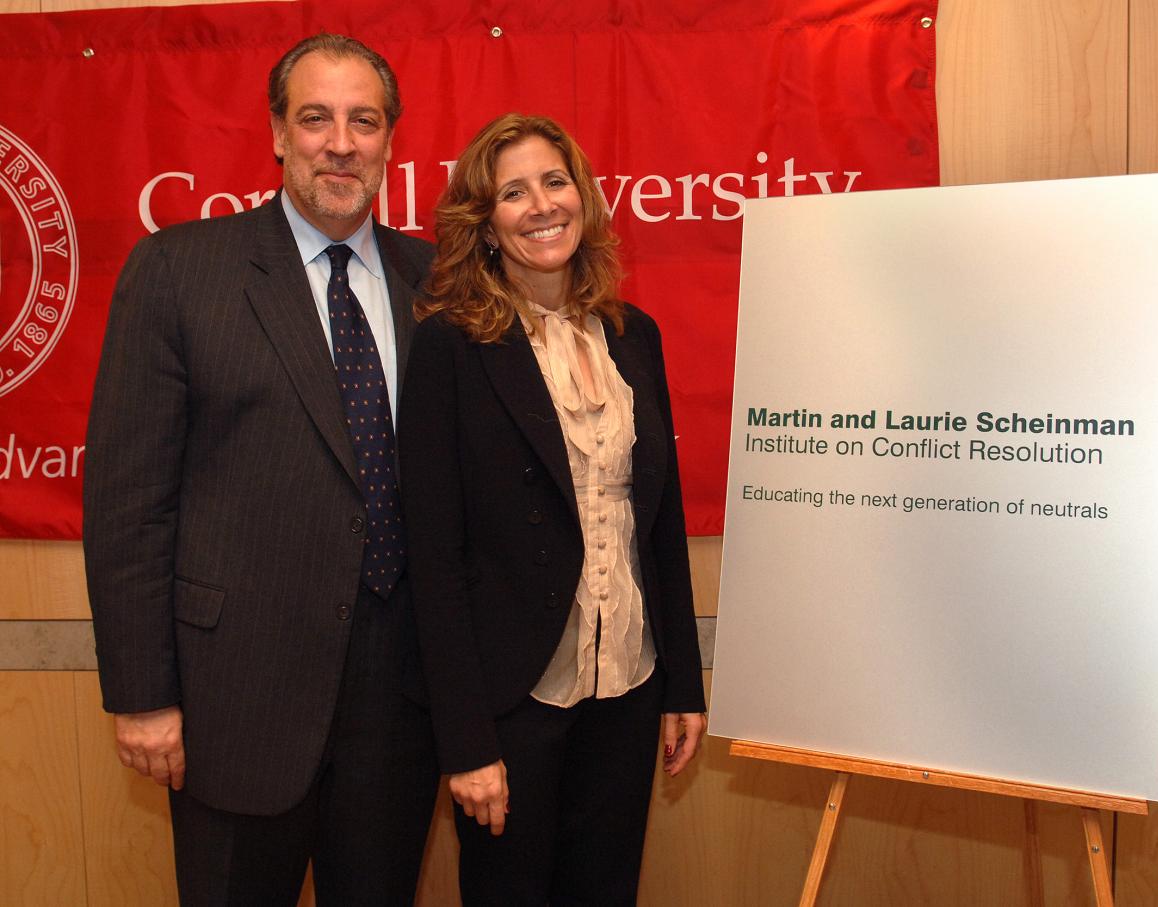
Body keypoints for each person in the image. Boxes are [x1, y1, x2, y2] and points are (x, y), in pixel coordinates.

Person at [83, 33, 438, 906]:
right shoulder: (178, 270)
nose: (340, 142)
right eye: (315, 118)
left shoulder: (436, 282)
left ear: (392, 140)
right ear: (278, 134)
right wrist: (141, 695)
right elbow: (129, 502)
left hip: (400, 706)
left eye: (364, 120)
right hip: (232, 701)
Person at [399, 113, 707, 904]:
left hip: (629, 682)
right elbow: (433, 558)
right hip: (515, 696)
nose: (541, 205)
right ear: (486, 223)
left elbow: (658, 521)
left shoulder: (635, 335)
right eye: (513, 192)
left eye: (555, 181)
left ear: (584, 197)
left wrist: (682, 685)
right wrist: (465, 742)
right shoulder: (450, 347)